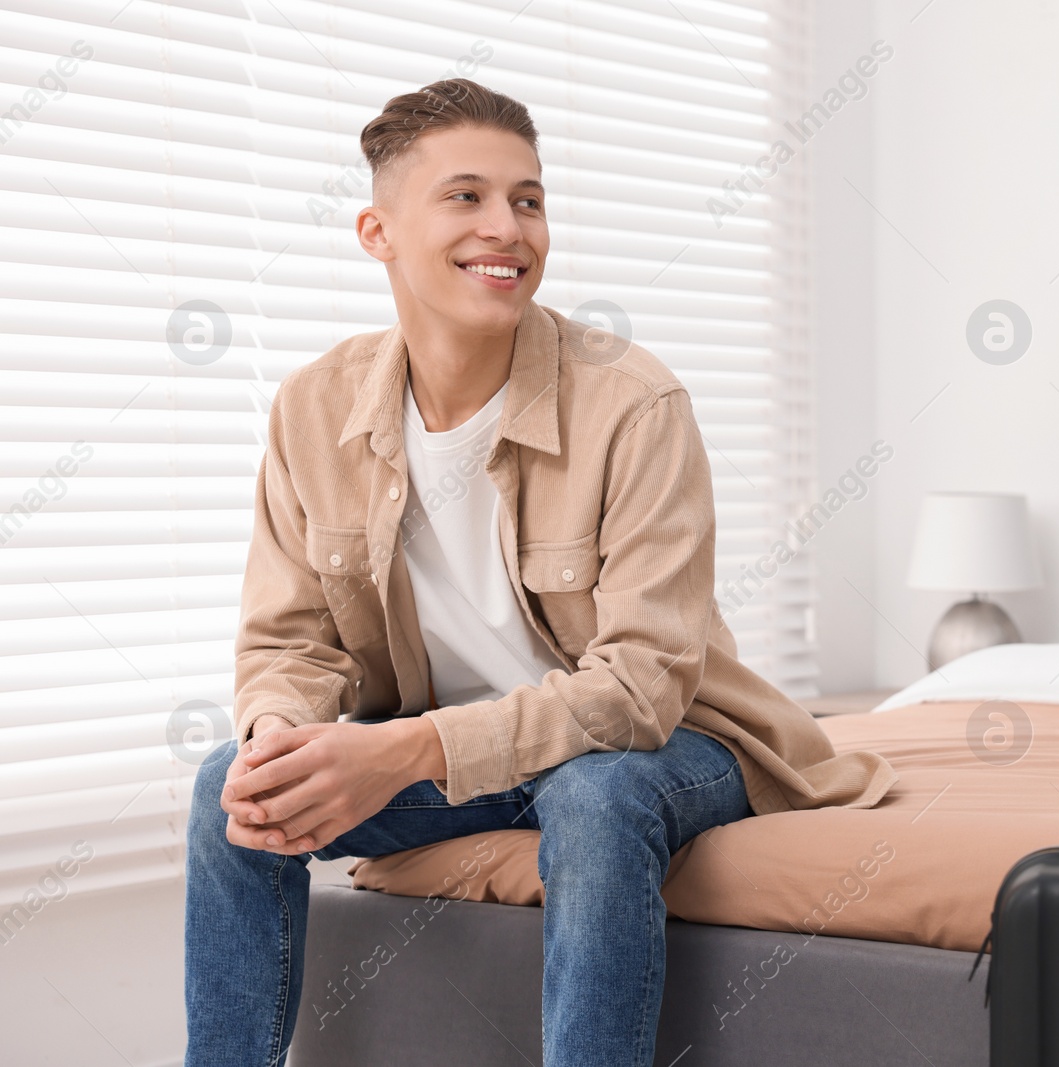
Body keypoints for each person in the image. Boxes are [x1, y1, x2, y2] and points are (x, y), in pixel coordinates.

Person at [183, 77, 898, 1067]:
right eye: (466, 197)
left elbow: (643, 689)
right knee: (232, 785)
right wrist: (278, 739)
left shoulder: (633, 403)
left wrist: (399, 752)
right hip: (467, 761)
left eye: (528, 199)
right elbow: (289, 635)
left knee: (594, 795)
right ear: (377, 231)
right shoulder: (314, 406)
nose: (508, 227)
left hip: (667, 741)